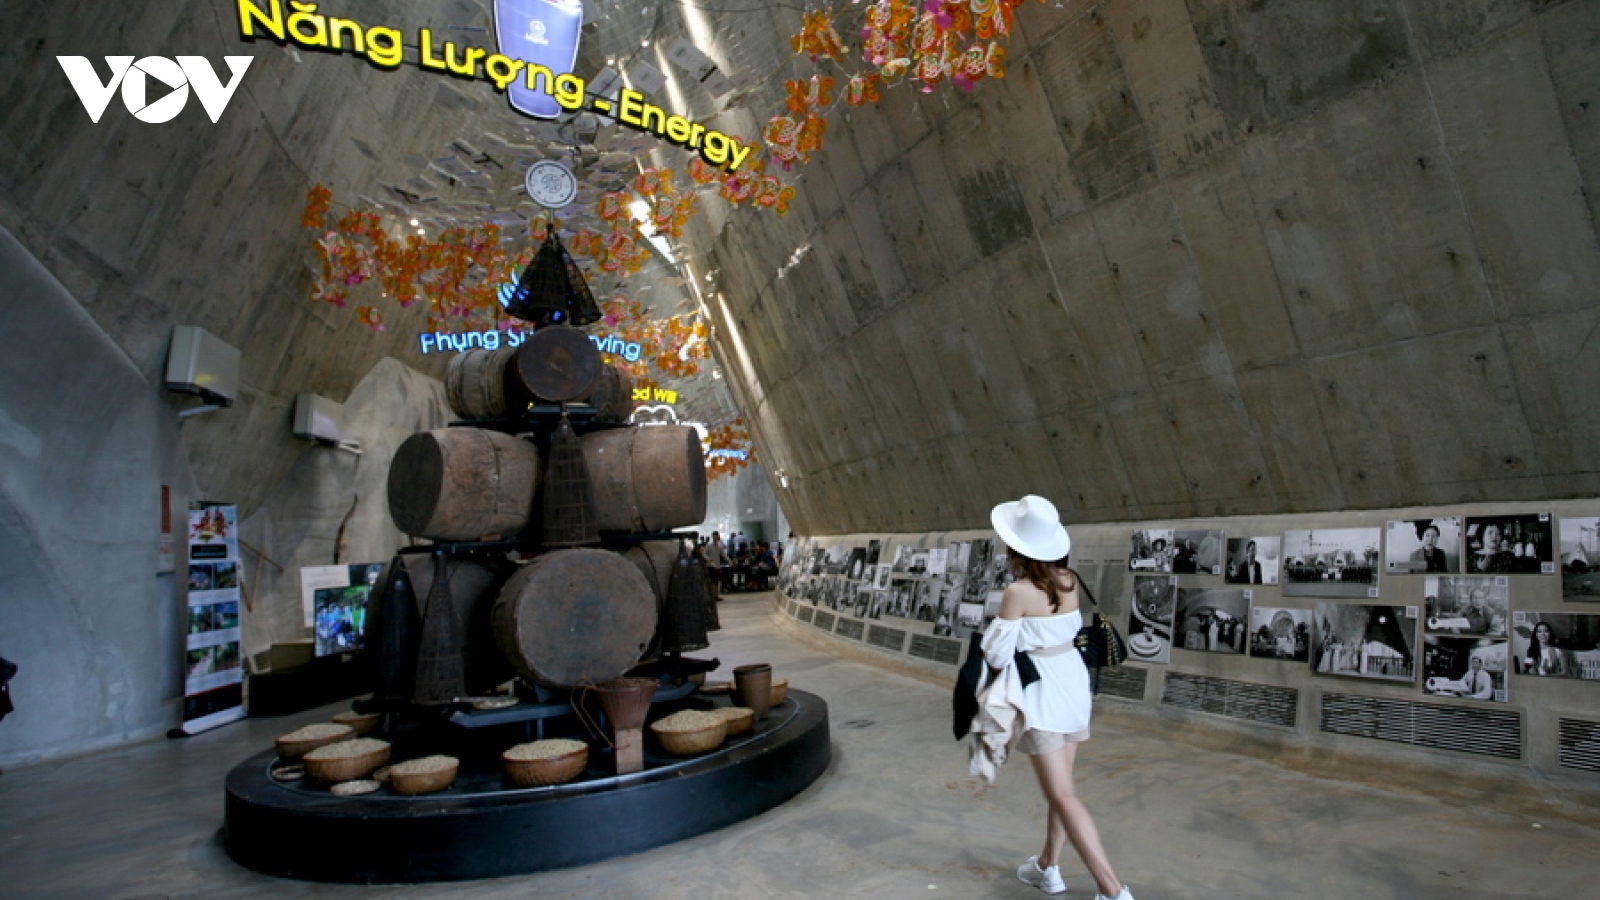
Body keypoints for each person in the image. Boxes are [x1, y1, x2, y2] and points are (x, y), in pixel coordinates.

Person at [975, 495, 1134, 900]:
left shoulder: (1017, 592)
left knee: (1062, 794)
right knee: (1063, 790)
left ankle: (1112, 891)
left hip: (1042, 694)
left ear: (1017, 548)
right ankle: (1047, 866)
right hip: (1073, 686)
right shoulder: (1070, 580)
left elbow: (996, 654)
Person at [705, 532, 731, 602]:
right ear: (713, 537)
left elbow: (724, 555)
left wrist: (730, 562)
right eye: (715, 536)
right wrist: (708, 559)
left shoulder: (719, 546)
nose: (716, 537)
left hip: (717, 565)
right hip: (711, 566)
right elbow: (704, 554)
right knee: (712, 582)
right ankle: (712, 595)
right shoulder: (709, 545)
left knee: (716, 582)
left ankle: (716, 595)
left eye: (717, 536)